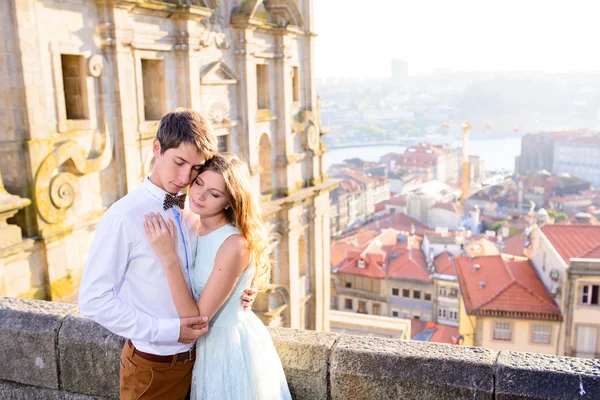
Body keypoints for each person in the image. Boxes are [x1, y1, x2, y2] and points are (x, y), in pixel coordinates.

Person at [78, 109, 257, 400]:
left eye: (196, 168)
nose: (185, 177)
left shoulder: (195, 205)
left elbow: (225, 256)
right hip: (154, 368)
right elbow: (93, 300)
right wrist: (167, 330)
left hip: (204, 362)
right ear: (157, 148)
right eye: (179, 162)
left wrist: (243, 288)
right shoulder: (124, 216)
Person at [143, 153, 291, 400]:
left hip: (228, 349)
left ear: (229, 203)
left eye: (214, 194)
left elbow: (196, 319)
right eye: (199, 183)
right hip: (203, 349)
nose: (200, 195)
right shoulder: (193, 222)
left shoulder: (233, 244)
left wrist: (168, 257)